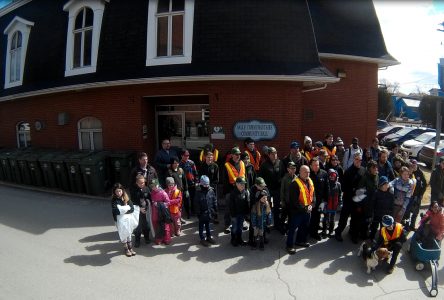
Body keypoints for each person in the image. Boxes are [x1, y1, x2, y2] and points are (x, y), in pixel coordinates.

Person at [334, 153, 366, 242]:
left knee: (356, 219)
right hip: (348, 200)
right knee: (343, 219)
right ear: (353, 160)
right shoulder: (348, 171)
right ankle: (338, 233)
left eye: (360, 160)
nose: (358, 161)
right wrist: (353, 190)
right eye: (356, 159)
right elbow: (343, 187)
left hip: (358, 200)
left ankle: (353, 235)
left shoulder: (364, 170)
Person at [286, 165, 314, 254]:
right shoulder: (295, 183)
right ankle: (289, 245)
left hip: (307, 210)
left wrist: (312, 205)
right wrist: (306, 208)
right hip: (297, 212)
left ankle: (300, 241)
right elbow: (294, 201)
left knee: (304, 227)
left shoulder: (310, 181)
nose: (307, 174)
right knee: (293, 229)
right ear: (300, 172)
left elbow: (313, 195)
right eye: (305, 172)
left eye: (309, 172)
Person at [259, 146, 285, 233]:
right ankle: (266, 225)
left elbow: (283, 175)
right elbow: (261, 178)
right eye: (273, 154)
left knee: (277, 208)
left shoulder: (280, 163)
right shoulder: (264, 164)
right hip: (268, 189)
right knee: (267, 207)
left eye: (276, 153)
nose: (275, 155)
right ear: (269, 155)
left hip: (277, 189)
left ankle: (277, 224)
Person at [352, 160, 378, 243]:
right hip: (363, 204)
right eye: (373, 168)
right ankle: (354, 236)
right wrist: (359, 206)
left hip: (371, 204)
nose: (375, 169)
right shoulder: (364, 177)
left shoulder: (377, 176)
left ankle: (363, 234)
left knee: (367, 221)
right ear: (369, 169)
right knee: (358, 221)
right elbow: (359, 192)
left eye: (376, 167)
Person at [223, 147, 246, 233]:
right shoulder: (227, 165)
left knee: (241, 207)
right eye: (236, 154)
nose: (238, 156)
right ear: (232, 155)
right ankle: (227, 224)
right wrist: (228, 191)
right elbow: (225, 180)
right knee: (229, 208)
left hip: (241, 190)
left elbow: (245, 176)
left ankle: (242, 222)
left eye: (239, 154)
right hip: (231, 190)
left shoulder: (242, 163)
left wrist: (244, 189)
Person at [111, 183, 137, 257]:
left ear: (122, 190)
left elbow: (132, 209)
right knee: (123, 234)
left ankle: (130, 248)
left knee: (128, 234)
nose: (119, 193)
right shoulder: (114, 200)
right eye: (117, 191)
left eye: (120, 191)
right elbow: (115, 211)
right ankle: (126, 249)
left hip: (127, 220)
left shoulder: (126, 198)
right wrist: (125, 209)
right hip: (119, 221)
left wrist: (122, 210)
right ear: (114, 192)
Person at [129, 175, 153, 248]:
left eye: (143, 182)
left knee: (146, 226)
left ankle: (146, 238)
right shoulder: (133, 190)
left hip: (145, 211)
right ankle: (137, 240)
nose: (142, 184)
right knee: (138, 227)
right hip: (137, 211)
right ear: (136, 183)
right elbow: (132, 202)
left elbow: (149, 198)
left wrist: (149, 206)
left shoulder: (146, 189)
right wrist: (139, 209)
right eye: (140, 183)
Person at [194, 175, 217, 246]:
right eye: (205, 185)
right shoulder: (198, 192)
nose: (206, 186)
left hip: (209, 212)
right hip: (201, 213)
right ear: (201, 184)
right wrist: (198, 212)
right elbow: (196, 203)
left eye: (207, 185)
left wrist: (215, 209)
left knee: (208, 225)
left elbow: (214, 200)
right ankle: (202, 239)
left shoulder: (211, 191)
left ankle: (208, 237)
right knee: (201, 226)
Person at [308, 157, 328, 241]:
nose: (316, 166)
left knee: (317, 217)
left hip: (320, 201)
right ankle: (309, 231)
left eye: (318, 165)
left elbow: (327, 187)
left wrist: (325, 200)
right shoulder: (307, 174)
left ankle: (314, 233)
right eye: (314, 165)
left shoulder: (324, 173)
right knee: (309, 217)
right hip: (309, 200)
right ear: (310, 166)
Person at [369, 176, 394, 240]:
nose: (386, 186)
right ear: (381, 185)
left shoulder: (390, 194)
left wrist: (391, 214)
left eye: (387, 184)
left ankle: (381, 240)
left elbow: (391, 205)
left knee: (383, 229)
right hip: (377, 215)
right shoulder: (376, 193)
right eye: (384, 184)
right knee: (374, 227)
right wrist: (371, 214)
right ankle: (371, 238)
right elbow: (372, 204)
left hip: (385, 215)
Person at [406, 159, 427, 230]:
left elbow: (425, 184)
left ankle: (412, 225)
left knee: (415, 212)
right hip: (409, 196)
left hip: (417, 196)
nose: (414, 167)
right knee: (408, 211)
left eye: (415, 165)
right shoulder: (409, 172)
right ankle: (406, 225)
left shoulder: (420, 173)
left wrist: (421, 194)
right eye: (412, 165)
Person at [149, 179, 172, 245]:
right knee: (156, 225)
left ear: (158, 185)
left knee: (165, 226)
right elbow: (152, 200)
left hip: (162, 212)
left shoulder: (163, 193)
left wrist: (159, 204)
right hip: (155, 212)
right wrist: (153, 203)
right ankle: (159, 238)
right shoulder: (152, 192)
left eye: (155, 186)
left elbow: (168, 202)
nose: (154, 188)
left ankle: (166, 238)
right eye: (152, 186)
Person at [229, 177, 250, 246]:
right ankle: (233, 239)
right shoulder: (233, 194)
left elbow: (247, 203)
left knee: (240, 227)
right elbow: (231, 206)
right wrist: (233, 215)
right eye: (241, 184)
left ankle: (239, 239)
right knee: (234, 228)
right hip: (235, 214)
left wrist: (247, 213)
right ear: (237, 184)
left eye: (244, 184)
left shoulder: (245, 192)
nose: (243, 185)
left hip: (242, 214)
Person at [249, 177, 270, 246]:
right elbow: (251, 200)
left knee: (263, 225)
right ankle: (251, 239)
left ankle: (263, 237)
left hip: (264, 207)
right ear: (256, 185)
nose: (262, 187)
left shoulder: (265, 189)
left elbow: (268, 198)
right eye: (261, 186)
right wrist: (259, 200)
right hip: (255, 208)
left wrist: (268, 206)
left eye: (263, 185)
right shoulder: (252, 189)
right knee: (253, 225)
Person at [321, 169, 342, 238]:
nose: (332, 177)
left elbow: (340, 194)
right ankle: (324, 230)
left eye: (333, 176)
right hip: (327, 203)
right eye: (330, 176)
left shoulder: (338, 184)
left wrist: (340, 201)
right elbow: (323, 193)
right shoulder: (326, 183)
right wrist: (323, 202)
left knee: (332, 219)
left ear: (336, 176)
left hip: (334, 204)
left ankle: (331, 231)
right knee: (325, 218)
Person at [180, 149, 199, 218]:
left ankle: (194, 211)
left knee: (193, 198)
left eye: (188, 155)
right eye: (185, 155)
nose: (187, 157)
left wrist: (196, 181)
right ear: (182, 156)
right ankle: (188, 213)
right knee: (186, 200)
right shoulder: (180, 164)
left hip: (192, 183)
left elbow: (195, 172)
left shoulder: (191, 163)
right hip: (185, 185)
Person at [280, 161, 298, 235]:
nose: (293, 170)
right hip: (286, 201)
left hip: (293, 202)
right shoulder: (285, 178)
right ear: (288, 169)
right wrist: (282, 201)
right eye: (291, 168)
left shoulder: (297, 178)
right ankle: (281, 228)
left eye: (294, 168)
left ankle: (289, 228)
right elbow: (282, 191)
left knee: (291, 216)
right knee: (284, 216)